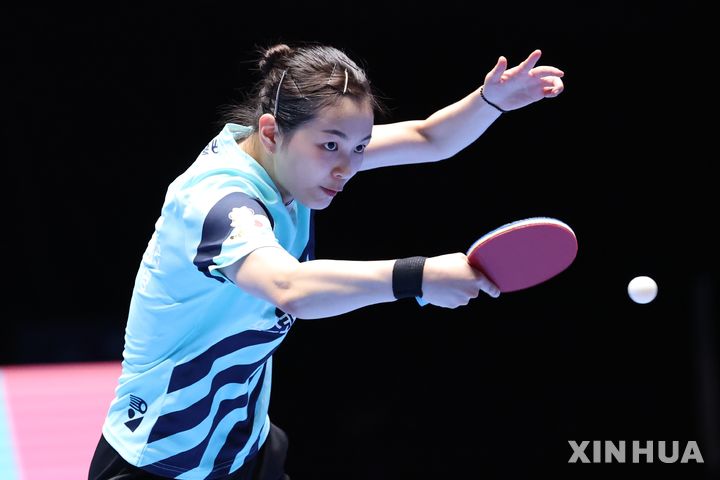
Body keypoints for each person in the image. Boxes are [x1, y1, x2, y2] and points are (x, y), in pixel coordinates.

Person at [89, 42, 564, 480]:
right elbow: (290, 288)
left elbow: (426, 137)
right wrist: (417, 276)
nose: (346, 168)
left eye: (360, 148)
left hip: (244, 446)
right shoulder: (218, 202)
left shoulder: (291, 163)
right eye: (331, 145)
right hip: (160, 457)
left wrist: (491, 101)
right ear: (271, 131)